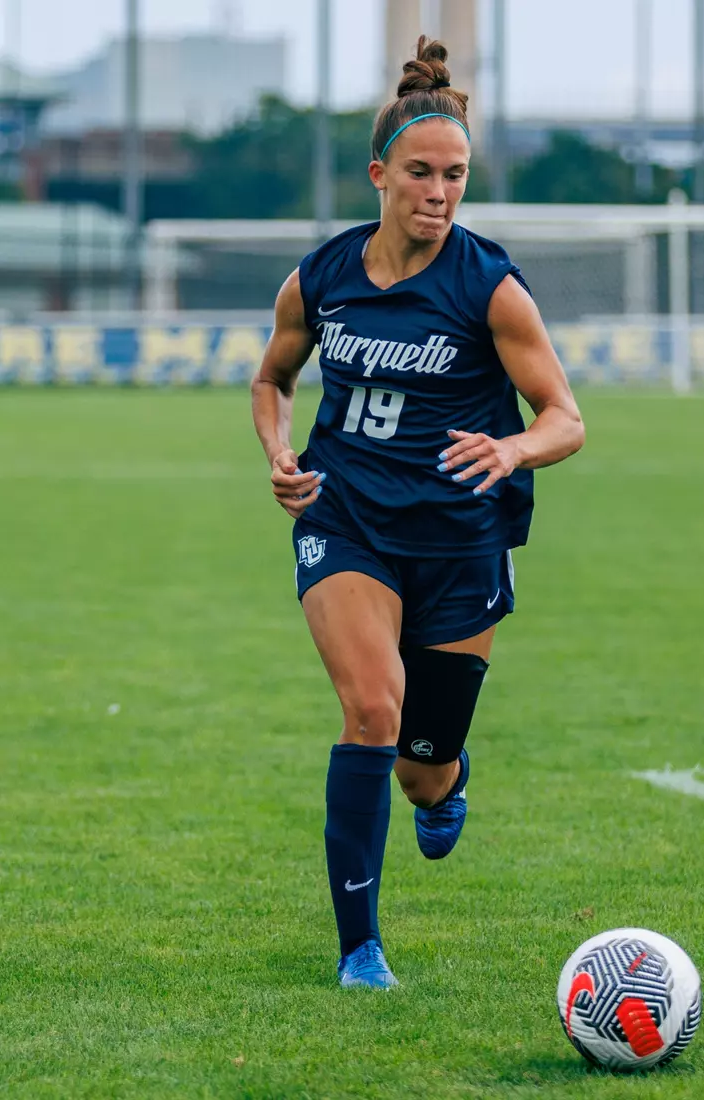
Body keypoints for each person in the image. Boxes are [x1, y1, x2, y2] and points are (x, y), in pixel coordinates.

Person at [251, 35, 584, 989]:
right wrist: (277, 450)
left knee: (421, 765)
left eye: (457, 176)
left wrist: (513, 447)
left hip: (460, 540)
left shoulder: (491, 287)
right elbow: (272, 378)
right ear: (379, 176)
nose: (440, 192)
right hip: (345, 519)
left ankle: (446, 781)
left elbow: (566, 418)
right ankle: (361, 949)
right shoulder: (321, 278)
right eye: (422, 174)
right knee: (371, 711)